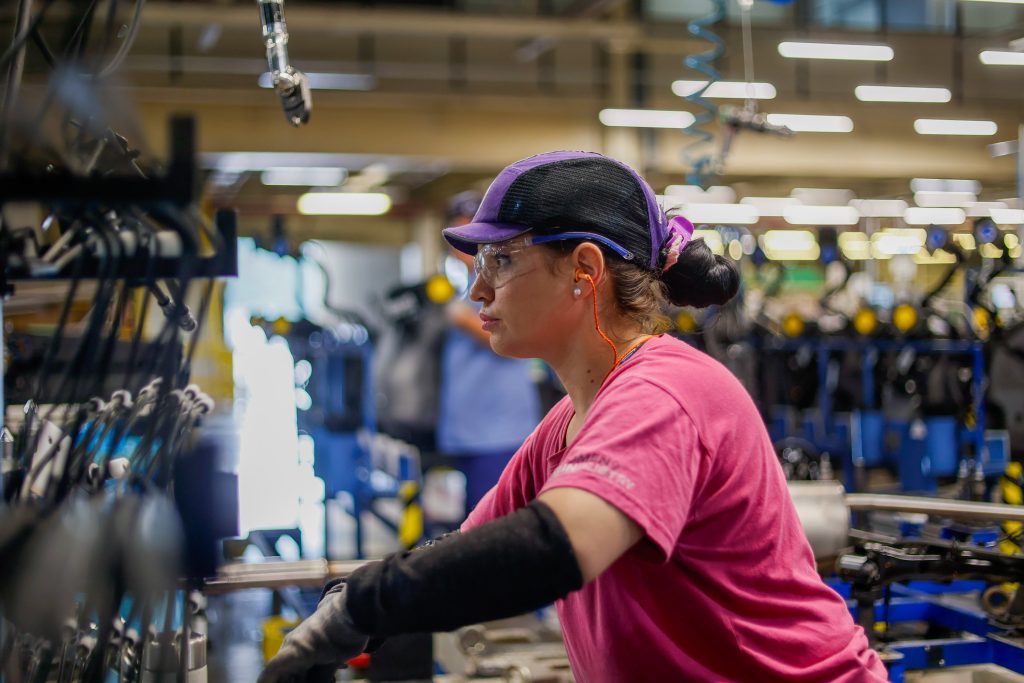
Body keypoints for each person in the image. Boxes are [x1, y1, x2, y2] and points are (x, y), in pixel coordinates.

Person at [259, 151, 889, 683]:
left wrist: (362, 606)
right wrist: (360, 607)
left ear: (584, 271)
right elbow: (475, 552)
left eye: (500, 262)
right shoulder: (568, 421)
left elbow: (550, 550)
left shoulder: (664, 394)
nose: (477, 290)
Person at [435, 191, 542, 515]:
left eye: (472, 232)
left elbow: (518, 341)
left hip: (499, 433)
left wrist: (466, 321)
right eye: (458, 235)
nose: (463, 246)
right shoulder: (466, 288)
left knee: (494, 526)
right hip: (466, 430)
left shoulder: (508, 282)